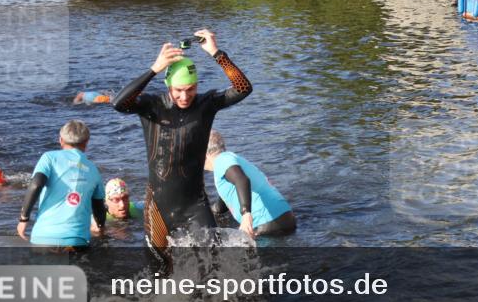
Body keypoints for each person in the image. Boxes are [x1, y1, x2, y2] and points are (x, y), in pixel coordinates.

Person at [111, 29, 251, 268]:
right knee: (159, 272)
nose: (185, 96)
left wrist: (216, 53)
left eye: (190, 89)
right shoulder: (152, 106)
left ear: (197, 86)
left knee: (212, 264)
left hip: (194, 204)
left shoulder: (206, 105)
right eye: (178, 91)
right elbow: (119, 103)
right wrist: (154, 68)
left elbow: (243, 88)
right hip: (158, 206)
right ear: (168, 86)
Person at [17, 120, 105, 246]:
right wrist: (101, 227)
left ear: (61, 140)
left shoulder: (49, 158)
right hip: (77, 240)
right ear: (86, 142)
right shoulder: (93, 169)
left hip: (44, 237)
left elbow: (36, 184)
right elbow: (99, 208)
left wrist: (23, 219)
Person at [204, 130, 296, 239]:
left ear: (204, 153)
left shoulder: (221, 160)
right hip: (286, 217)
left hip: (266, 223)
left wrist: (246, 215)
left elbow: (242, 180)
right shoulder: (230, 159)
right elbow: (222, 205)